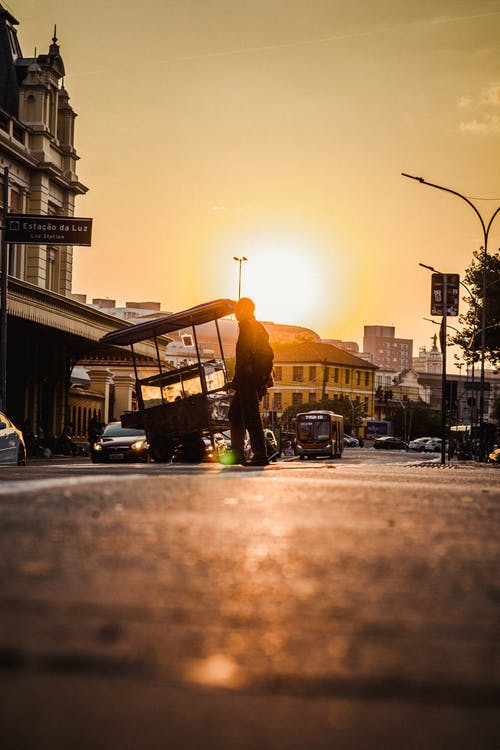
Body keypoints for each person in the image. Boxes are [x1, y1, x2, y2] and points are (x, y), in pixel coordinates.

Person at [228, 297, 274, 466]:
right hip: (251, 379)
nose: (235, 313)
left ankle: (260, 455)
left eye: (238, 310)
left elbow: (244, 357)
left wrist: (237, 380)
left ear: (246, 310)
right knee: (235, 415)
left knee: (251, 416)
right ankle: (237, 454)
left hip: (248, 380)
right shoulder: (256, 327)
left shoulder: (248, 327)